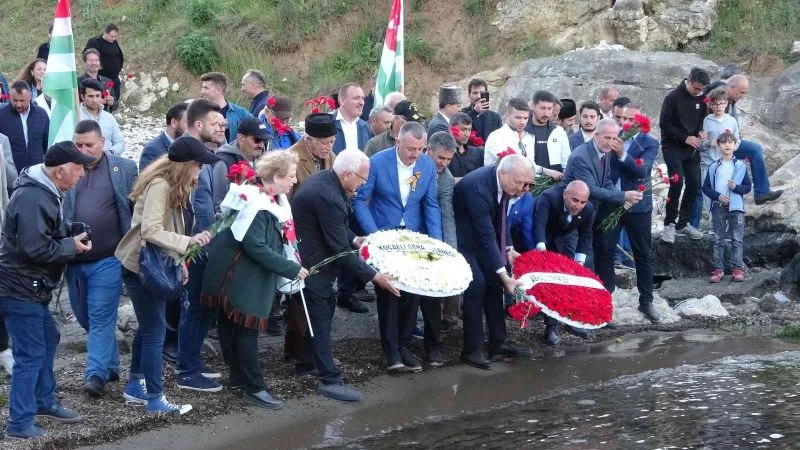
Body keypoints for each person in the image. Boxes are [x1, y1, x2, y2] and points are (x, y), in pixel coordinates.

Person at [114, 136, 218, 414]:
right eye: (198, 166)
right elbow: (150, 230)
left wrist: (179, 260)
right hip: (142, 267)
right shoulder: (160, 185)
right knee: (155, 331)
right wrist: (188, 242)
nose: (200, 172)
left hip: (154, 264)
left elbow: (171, 230)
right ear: (186, 165)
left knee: (149, 326)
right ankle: (155, 399)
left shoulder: (174, 184)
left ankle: (135, 385)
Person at [0, 141, 95, 439]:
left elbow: (39, 235)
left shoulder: (44, 190)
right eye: (78, 169)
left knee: (48, 337)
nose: (81, 174)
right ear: (60, 171)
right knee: (29, 353)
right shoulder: (33, 196)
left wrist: (68, 231)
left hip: (27, 285)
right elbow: (33, 248)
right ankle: (19, 423)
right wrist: (71, 246)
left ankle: (42, 400)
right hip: (20, 287)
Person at [201, 152, 309, 409]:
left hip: (235, 273)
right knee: (245, 330)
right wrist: (290, 268)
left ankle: (238, 377)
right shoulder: (258, 205)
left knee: (231, 327)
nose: (294, 181)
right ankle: (254, 387)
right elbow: (255, 246)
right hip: (239, 276)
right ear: (276, 177)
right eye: (290, 176)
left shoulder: (257, 195)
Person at [291, 150, 399, 401]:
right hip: (312, 264)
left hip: (313, 258)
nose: (363, 185)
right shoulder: (329, 196)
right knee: (319, 316)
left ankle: (307, 361)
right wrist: (375, 277)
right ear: (348, 175)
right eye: (362, 179)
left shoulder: (326, 180)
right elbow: (340, 250)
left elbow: (335, 228)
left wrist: (355, 239)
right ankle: (329, 379)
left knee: (325, 307)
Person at [353, 121, 442, 372]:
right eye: (411, 149)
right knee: (389, 293)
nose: (416, 154)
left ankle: (403, 345)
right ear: (398, 142)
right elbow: (360, 200)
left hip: (413, 236)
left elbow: (431, 204)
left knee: (412, 292)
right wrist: (374, 236)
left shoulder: (426, 165)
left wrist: (436, 242)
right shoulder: (378, 162)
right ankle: (391, 350)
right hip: (384, 234)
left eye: (421, 149)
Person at [64, 120, 138, 398]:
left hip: (109, 258)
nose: (83, 150)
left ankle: (94, 375)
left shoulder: (124, 169)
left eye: (89, 145)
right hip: (73, 260)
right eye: (78, 145)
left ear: (102, 143)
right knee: (84, 317)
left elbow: (134, 209)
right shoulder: (67, 169)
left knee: (99, 315)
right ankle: (111, 364)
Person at [454, 154, 533, 370]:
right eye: (521, 183)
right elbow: (487, 234)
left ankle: (498, 343)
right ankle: (471, 349)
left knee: (494, 284)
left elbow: (501, 218)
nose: (525, 189)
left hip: (481, 240)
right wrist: (505, 274)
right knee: (477, 285)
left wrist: (508, 249)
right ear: (502, 174)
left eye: (528, 184)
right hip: (463, 241)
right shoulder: (478, 188)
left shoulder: (506, 184)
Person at [594, 105, 661, 324]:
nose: (626, 123)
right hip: (612, 202)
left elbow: (643, 170)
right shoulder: (613, 135)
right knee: (605, 249)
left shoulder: (650, 142)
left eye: (632, 120)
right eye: (623, 118)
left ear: (642, 121)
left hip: (638, 205)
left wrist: (622, 154)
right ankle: (606, 299)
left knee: (643, 253)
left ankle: (646, 300)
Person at [562, 118, 643, 270]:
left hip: (588, 213)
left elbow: (605, 180)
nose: (610, 143)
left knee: (589, 257)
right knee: (577, 260)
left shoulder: (605, 151)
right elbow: (591, 190)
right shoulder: (581, 156)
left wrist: (620, 196)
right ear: (596, 135)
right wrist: (623, 196)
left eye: (614, 139)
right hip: (572, 214)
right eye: (607, 138)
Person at [702, 74, 782, 205]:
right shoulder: (719, 94)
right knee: (753, 151)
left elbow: (733, 125)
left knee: (755, 150)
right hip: (713, 145)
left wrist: (737, 139)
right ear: (731, 88)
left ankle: (762, 193)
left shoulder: (731, 99)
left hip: (728, 142)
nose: (742, 96)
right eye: (741, 92)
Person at [533, 181, 596, 345]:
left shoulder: (588, 209)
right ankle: (551, 327)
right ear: (565, 194)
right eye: (575, 200)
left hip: (564, 235)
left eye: (582, 202)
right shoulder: (549, 197)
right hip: (541, 234)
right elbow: (539, 225)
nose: (578, 206)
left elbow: (586, 236)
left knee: (574, 276)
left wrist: (579, 262)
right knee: (552, 279)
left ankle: (571, 319)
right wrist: (542, 252)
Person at [659, 67, 709, 243]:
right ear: (689, 81)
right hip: (672, 146)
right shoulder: (672, 97)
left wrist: (701, 132)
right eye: (696, 88)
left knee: (695, 185)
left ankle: (683, 223)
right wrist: (685, 137)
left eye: (702, 89)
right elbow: (664, 125)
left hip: (692, 148)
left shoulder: (702, 98)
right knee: (677, 182)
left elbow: (701, 120)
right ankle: (669, 223)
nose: (699, 92)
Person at [702, 131, 751, 283]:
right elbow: (706, 188)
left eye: (730, 142)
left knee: (737, 239)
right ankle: (718, 269)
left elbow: (747, 187)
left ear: (735, 145)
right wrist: (718, 196)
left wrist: (735, 187)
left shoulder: (740, 166)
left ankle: (737, 269)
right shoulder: (713, 167)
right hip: (718, 206)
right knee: (718, 239)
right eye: (723, 142)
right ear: (718, 146)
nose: (727, 145)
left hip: (736, 207)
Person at [691, 87, 740, 229]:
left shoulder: (731, 121)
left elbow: (737, 139)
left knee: (725, 195)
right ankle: (714, 226)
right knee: (709, 196)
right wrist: (708, 143)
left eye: (721, 103)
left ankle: (723, 226)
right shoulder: (705, 121)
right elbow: (698, 144)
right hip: (708, 164)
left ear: (726, 103)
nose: (718, 107)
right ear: (710, 105)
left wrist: (733, 147)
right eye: (715, 104)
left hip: (725, 164)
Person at [428, 132, 461, 333]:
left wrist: (451, 247)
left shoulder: (446, 178)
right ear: (429, 150)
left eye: (449, 159)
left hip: (436, 227)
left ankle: (450, 317)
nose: (444, 163)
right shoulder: (414, 166)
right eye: (441, 157)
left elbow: (447, 213)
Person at [210, 117, 267, 212]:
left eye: (264, 140)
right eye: (257, 140)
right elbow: (219, 204)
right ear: (241, 138)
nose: (261, 145)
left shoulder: (264, 161)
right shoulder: (224, 163)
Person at [0, 81, 50, 171]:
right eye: (15, 100)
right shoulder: (2, 115)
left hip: (36, 171)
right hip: (12, 172)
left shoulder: (41, 114)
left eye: (22, 101)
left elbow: (47, 144)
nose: (18, 104)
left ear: (30, 96)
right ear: (10, 96)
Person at [287, 113, 337, 199]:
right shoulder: (290, 160)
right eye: (324, 143)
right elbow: (285, 200)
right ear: (309, 140)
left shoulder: (332, 157)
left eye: (332, 142)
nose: (329, 148)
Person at [524, 90, 571, 175]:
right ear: (533, 106)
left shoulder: (559, 132)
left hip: (556, 181)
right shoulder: (522, 131)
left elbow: (566, 163)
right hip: (529, 180)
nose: (546, 113)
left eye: (549, 109)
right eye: (542, 108)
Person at [200, 71, 251, 142]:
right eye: (202, 87)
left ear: (218, 90)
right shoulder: (199, 112)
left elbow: (258, 127)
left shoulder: (240, 113)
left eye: (206, 88)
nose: (202, 91)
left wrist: (231, 122)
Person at [78, 79, 125, 155]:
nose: (95, 100)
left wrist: (110, 153)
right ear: (82, 97)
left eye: (97, 96)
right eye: (90, 96)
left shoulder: (109, 117)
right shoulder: (75, 117)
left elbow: (120, 142)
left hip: (107, 159)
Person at [139, 102, 188, 171]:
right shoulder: (152, 150)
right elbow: (147, 177)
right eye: (189, 123)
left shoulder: (192, 146)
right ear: (174, 122)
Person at [84, 24, 124, 101]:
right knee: (104, 99)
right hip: (102, 77)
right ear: (105, 33)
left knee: (115, 98)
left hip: (115, 77)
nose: (113, 39)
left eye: (115, 36)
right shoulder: (95, 42)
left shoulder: (114, 42)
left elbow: (118, 55)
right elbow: (86, 55)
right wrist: (96, 65)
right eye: (111, 36)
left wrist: (120, 67)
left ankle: (113, 108)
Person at [332, 83, 371, 154]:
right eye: (356, 98)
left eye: (362, 98)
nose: (362, 103)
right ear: (342, 101)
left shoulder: (365, 127)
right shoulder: (329, 124)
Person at [78, 48, 117, 113]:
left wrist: (112, 103)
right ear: (85, 63)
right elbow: (73, 104)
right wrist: (95, 102)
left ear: (99, 63)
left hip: (104, 117)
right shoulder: (78, 82)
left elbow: (116, 104)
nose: (94, 63)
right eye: (91, 60)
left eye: (96, 60)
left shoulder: (107, 81)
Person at [447, 112, 484, 180]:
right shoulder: (444, 154)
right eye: (463, 129)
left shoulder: (477, 153)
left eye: (469, 130)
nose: (467, 134)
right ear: (450, 129)